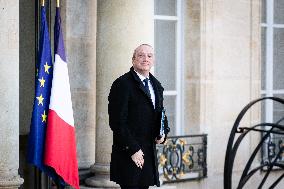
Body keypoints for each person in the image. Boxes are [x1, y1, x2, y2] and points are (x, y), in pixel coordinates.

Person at [108, 44, 167, 189]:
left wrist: (163, 132)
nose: (145, 59)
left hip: (148, 153)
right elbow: (116, 122)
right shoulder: (122, 84)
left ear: (153, 60)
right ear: (133, 60)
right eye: (141, 55)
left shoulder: (156, 85)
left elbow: (160, 114)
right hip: (129, 154)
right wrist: (132, 149)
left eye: (149, 56)